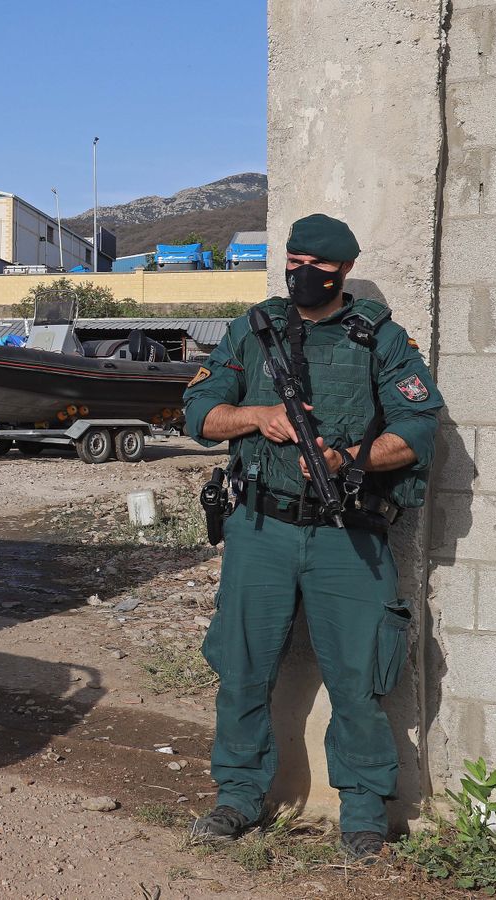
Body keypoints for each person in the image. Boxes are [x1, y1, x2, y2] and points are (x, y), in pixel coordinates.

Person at [180, 213, 443, 862]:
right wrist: (258, 416)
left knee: (359, 679)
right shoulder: (253, 330)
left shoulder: (380, 338)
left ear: (344, 270)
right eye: (293, 261)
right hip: (260, 529)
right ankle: (238, 797)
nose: (302, 274)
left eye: (317, 266)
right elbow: (198, 415)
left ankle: (363, 815)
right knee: (242, 670)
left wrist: (347, 460)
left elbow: (418, 429)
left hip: (346, 534)